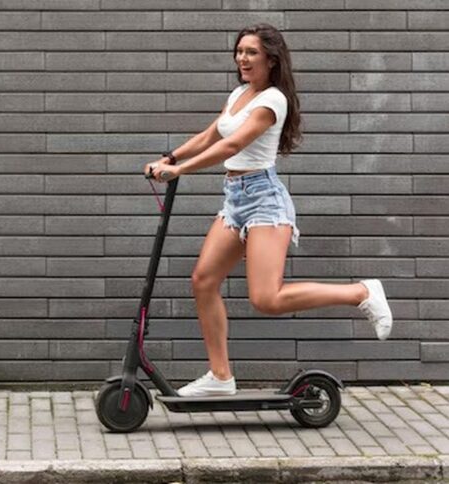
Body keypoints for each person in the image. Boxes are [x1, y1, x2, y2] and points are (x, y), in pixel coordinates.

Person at [142, 23, 393, 398]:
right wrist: (171, 156)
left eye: (251, 52)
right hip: (236, 198)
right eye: (240, 51)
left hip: (264, 200)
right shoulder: (240, 93)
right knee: (203, 281)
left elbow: (234, 145)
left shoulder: (272, 100)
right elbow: (213, 135)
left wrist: (180, 171)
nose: (242, 58)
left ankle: (360, 292)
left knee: (266, 299)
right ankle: (220, 377)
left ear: (271, 60)